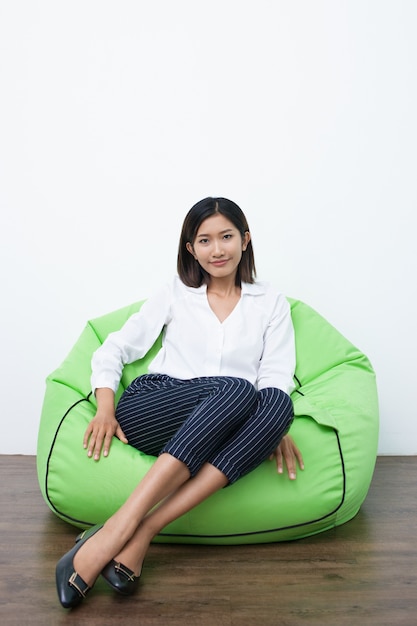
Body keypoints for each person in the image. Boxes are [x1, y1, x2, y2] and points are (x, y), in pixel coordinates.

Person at [55, 196, 304, 609]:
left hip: (222, 421)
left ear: (245, 240)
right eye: (204, 240)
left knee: (277, 405)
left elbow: (276, 375)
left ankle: (141, 531)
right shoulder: (175, 293)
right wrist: (104, 406)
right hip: (155, 405)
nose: (217, 249)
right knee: (237, 389)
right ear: (190, 248)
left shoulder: (270, 302)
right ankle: (117, 529)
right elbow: (113, 348)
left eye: (226, 237)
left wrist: (271, 426)